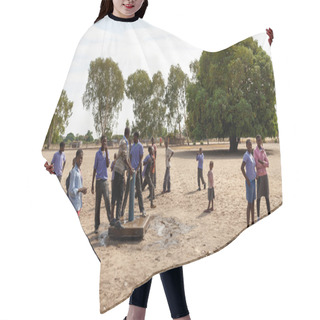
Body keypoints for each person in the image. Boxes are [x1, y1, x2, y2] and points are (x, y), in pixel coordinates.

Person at [111, 127, 134, 229]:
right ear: (128, 133)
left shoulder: (122, 141)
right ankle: (117, 221)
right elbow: (125, 158)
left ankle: (113, 219)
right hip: (119, 171)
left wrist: (129, 168)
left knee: (115, 195)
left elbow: (126, 158)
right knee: (120, 196)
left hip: (118, 171)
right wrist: (130, 169)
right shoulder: (124, 142)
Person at [91, 136, 112, 233]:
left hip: (105, 182)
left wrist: (107, 152)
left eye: (106, 141)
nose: (105, 142)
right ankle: (96, 225)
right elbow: (94, 168)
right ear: (101, 142)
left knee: (107, 202)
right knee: (97, 204)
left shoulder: (107, 154)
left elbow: (108, 165)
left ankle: (111, 222)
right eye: (103, 141)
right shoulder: (97, 154)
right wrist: (92, 184)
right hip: (98, 181)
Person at [254, 135, 271, 220]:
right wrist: (263, 163)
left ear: (261, 140)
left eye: (260, 140)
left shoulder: (263, 150)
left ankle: (269, 212)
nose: (259, 141)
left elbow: (268, 164)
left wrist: (262, 162)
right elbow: (257, 164)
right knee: (259, 197)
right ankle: (258, 216)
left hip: (265, 175)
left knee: (267, 196)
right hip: (260, 176)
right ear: (256, 141)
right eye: (257, 140)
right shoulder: (255, 151)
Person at [241, 139, 257, 227]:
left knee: (253, 202)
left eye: (251, 145)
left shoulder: (251, 155)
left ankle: (253, 221)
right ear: (246, 146)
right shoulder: (246, 155)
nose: (250, 146)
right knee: (249, 203)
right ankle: (247, 224)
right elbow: (242, 168)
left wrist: (256, 175)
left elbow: (253, 168)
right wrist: (247, 179)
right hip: (249, 182)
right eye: (249, 145)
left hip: (253, 181)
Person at [130, 132, 146, 216]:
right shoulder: (132, 146)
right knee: (130, 191)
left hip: (137, 171)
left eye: (134, 137)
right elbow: (130, 157)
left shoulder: (140, 146)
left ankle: (142, 209)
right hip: (131, 171)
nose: (133, 138)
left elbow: (141, 159)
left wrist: (137, 169)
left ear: (137, 137)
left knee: (139, 190)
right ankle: (130, 210)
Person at [68, 149, 87, 216]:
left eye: (82, 158)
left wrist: (82, 190)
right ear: (76, 158)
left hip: (78, 204)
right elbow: (71, 191)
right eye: (79, 158)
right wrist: (80, 190)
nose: (80, 160)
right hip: (74, 204)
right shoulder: (74, 172)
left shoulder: (79, 171)